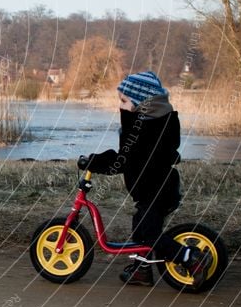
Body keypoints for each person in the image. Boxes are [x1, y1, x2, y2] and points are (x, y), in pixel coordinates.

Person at [77, 71, 212, 288]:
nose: (120, 106)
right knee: (140, 229)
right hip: (154, 189)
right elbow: (136, 155)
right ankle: (142, 270)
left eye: (124, 101)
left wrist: (94, 161)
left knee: (149, 234)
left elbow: (123, 160)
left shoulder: (143, 130)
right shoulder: (151, 125)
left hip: (156, 190)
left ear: (141, 103)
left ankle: (190, 259)